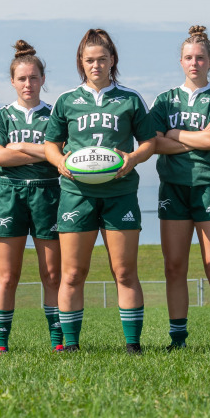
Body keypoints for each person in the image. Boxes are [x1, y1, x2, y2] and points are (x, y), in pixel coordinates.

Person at [43, 28, 156, 354]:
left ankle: (133, 345)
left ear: (112, 61)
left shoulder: (130, 99)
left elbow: (150, 141)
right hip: (77, 193)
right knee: (73, 272)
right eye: (89, 60)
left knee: (124, 271)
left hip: (119, 192)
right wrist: (60, 161)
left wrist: (133, 158)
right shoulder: (67, 101)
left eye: (102, 59)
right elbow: (51, 144)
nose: (96, 65)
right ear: (81, 62)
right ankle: (72, 345)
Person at [149, 26, 210, 352]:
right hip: (173, 188)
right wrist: (191, 140)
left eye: (200, 57)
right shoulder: (164, 100)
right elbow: (154, 143)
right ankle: (178, 339)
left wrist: (176, 134)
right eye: (188, 57)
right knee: (174, 266)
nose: (194, 63)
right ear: (181, 61)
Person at [0, 40, 63, 354]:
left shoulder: (56, 114)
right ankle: (1, 344)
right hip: (9, 195)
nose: (28, 84)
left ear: (43, 79)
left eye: (33, 78)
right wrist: (43, 153)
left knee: (52, 273)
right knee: (8, 274)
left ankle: (58, 341)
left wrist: (21, 148)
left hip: (49, 192)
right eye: (22, 79)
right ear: (12, 82)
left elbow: (62, 154)